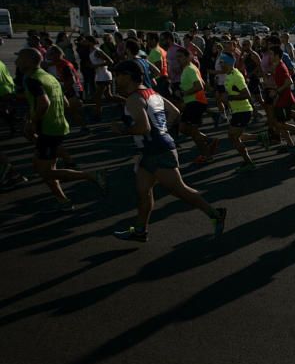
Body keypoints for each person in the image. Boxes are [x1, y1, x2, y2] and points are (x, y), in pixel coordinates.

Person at [110, 60, 226, 241]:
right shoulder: (151, 93)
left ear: (127, 76)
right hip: (150, 151)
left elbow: (143, 128)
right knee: (143, 192)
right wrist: (162, 129)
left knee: (180, 190)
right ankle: (140, 230)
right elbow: (174, 112)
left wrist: (122, 130)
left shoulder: (134, 99)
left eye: (117, 75)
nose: (115, 78)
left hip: (158, 151)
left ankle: (215, 214)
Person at [16, 48, 107, 210]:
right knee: (40, 166)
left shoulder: (32, 79)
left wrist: (32, 122)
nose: (17, 62)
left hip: (48, 129)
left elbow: (44, 103)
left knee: (46, 171)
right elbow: (65, 103)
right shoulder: (49, 77)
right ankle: (63, 201)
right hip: (58, 126)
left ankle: (90, 175)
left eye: (20, 59)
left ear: (29, 61)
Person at [177, 47, 219, 164]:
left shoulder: (189, 69)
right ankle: (209, 140)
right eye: (177, 57)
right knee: (183, 128)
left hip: (195, 103)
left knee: (193, 132)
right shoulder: (188, 69)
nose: (178, 59)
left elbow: (199, 86)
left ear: (187, 57)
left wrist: (183, 93)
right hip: (192, 103)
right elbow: (203, 83)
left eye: (180, 57)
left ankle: (207, 155)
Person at [219, 52, 256, 173]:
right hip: (237, 111)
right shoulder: (228, 74)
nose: (220, 64)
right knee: (234, 136)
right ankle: (261, 138)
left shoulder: (236, 76)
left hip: (243, 111)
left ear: (228, 63)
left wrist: (229, 98)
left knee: (233, 137)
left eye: (222, 62)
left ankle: (249, 162)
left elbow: (246, 94)